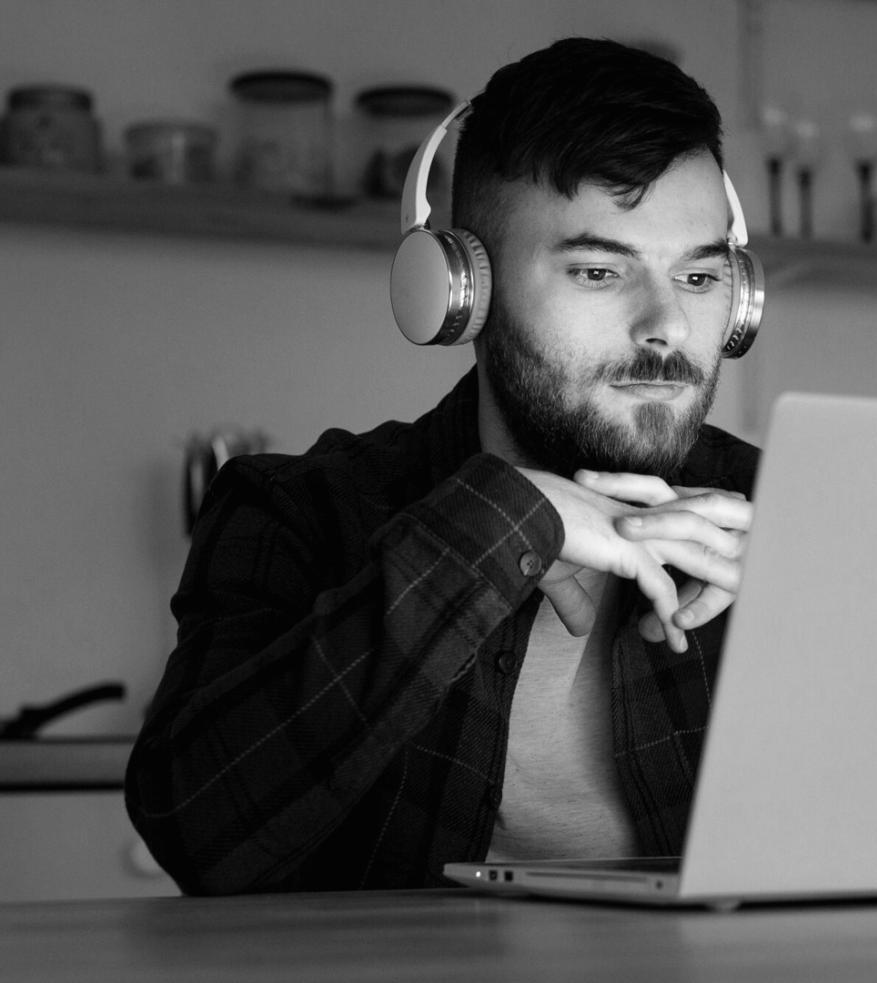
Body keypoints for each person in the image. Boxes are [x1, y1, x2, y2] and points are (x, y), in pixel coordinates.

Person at [125, 38, 761, 895]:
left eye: (699, 275)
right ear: (463, 292)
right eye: (600, 270)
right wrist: (493, 529)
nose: (669, 327)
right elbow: (193, 832)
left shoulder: (778, 514)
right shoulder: (295, 510)